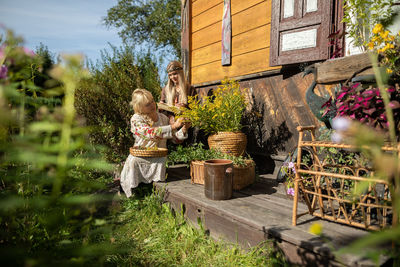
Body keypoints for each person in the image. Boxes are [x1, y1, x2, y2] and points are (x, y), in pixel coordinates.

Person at [120, 88, 190, 197]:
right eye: (148, 104)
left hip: (159, 157)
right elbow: (150, 133)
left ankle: (153, 195)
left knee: (160, 162)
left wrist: (184, 128)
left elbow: (175, 139)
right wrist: (174, 126)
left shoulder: (163, 118)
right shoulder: (136, 119)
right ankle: (135, 194)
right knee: (135, 163)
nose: (153, 105)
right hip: (141, 156)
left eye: (152, 101)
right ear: (139, 107)